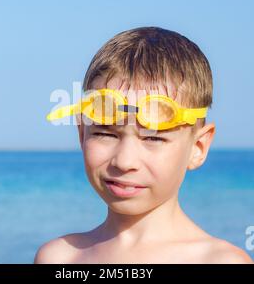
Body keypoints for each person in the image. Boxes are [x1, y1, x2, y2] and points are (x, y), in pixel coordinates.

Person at [35, 27, 252, 263]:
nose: (124, 161)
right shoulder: (59, 258)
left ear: (197, 148)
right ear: (82, 134)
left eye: (153, 138)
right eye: (106, 134)